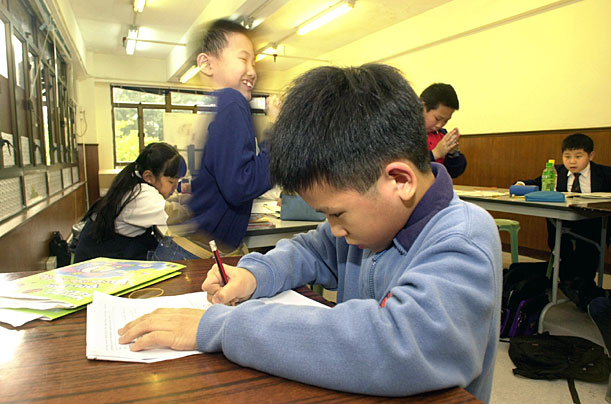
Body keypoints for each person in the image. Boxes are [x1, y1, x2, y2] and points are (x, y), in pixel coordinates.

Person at [118, 64, 502, 402]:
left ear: (399, 180)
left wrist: (221, 327)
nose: (333, 228)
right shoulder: (369, 224)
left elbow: (397, 344)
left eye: (336, 212)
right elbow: (312, 250)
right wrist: (255, 275)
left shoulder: (463, 238)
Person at [185, 19, 272, 253]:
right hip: (205, 253)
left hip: (198, 242)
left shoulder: (217, 104)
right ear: (207, 64)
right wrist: (276, 129)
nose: (252, 71)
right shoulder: (232, 101)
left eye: (254, 62)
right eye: (243, 59)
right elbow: (240, 186)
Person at [515, 133, 611, 310]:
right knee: (560, 242)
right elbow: (534, 183)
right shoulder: (555, 172)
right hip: (562, 224)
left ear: (591, 156)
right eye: (567, 156)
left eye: (578, 156)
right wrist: (521, 184)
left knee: (589, 247)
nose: (572, 162)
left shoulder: (604, 173)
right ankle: (571, 283)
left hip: (592, 223)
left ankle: (582, 286)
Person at [74, 142, 186, 262]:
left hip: (103, 257)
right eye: (171, 182)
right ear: (148, 177)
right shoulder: (140, 196)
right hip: (97, 265)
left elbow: (166, 203)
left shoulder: (133, 183)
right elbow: (173, 215)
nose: (175, 187)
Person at [420, 83, 466, 178]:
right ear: (422, 107)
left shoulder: (441, 134)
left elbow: (453, 173)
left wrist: (453, 153)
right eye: (437, 118)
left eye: (446, 120)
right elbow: (404, 163)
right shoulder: (403, 132)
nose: (440, 125)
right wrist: (435, 153)